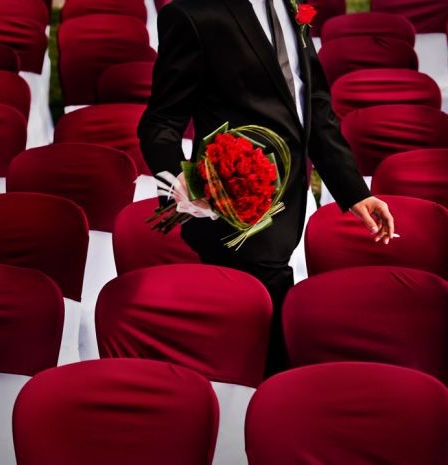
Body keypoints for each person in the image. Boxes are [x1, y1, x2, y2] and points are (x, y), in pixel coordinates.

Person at [138, 0, 395, 374]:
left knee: (268, 346)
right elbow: (160, 124)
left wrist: (355, 191)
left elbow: (313, 107)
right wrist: (185, 187)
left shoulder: (292, 7)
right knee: (258, 356)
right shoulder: (193, 15)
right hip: (235, 214)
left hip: (291, 204)